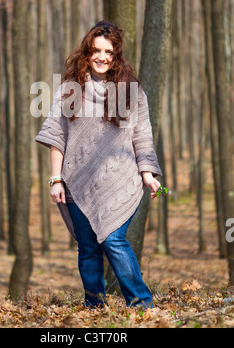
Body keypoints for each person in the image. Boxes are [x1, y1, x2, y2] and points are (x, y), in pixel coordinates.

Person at [35, 20, 162, 309]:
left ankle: (142, 305)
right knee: (88, 247)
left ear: (117, 55)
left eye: (109, 52)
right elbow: (58, 136)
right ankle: (94, 306)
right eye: (96, 51)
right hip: (77, 182)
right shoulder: (70, 88)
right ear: (87, 53)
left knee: (114, 240)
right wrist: (55, 179)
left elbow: (142, 135)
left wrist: (148, 174)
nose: (102, 57)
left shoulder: (132, 91)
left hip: (121, 180)